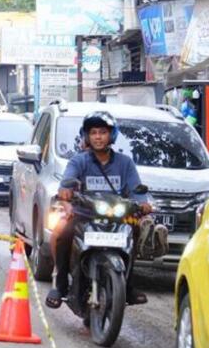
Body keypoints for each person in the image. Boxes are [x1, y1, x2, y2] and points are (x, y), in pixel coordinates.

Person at [46, 110, 153, 310]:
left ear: (111, 135)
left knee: (136, 231)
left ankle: (128, 285)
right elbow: (67, 181)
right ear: (87, 136)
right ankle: (60, 286)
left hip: (118, 218)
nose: (98, 137)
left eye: (102, 132)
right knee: (63, 234)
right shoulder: (79, 161)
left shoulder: (125, 163)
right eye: (93, 132)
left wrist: (143, 203)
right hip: (84, 215)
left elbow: (136, 189)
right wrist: (66, 191)